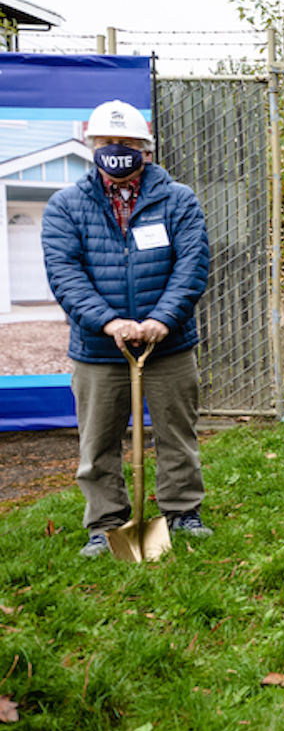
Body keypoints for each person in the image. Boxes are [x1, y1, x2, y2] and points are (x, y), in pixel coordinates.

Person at [41, 100, 213, 556]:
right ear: (91, 145)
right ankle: (105, 523)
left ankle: (182, 512)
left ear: (147, 150)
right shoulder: (66, 206)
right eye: (106, 142)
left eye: (128, 143)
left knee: (177, 433)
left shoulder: (178, 198)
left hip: (169, 345)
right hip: (98, 350)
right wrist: (109, 322)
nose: (116, 150)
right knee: (98, 441)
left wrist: (160, 320)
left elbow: (193, 265)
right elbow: (65, 273)